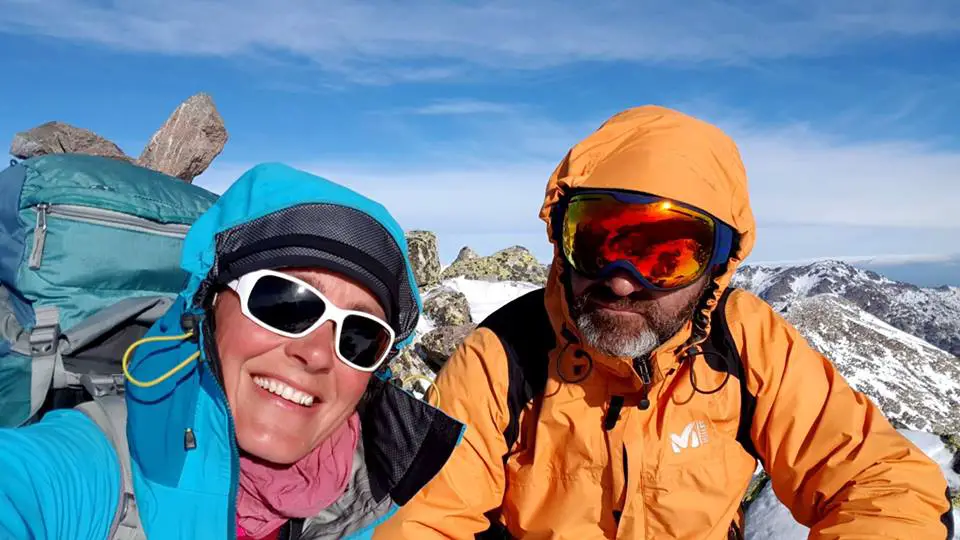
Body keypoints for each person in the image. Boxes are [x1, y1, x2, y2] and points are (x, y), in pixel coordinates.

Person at [375, 106, 955, 539]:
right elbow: (423, 520)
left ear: (717, 268)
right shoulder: (505, 355)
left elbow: (880, 479)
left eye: (668, 255)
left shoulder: (743, 343)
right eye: (598, 242)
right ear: (560, 242)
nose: (623, 279)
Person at [0, 162, 464, 539]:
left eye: (360, 336)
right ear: (209, 306)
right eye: (284, 302)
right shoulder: (86, 469)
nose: (318, 354)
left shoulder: (363, 505)